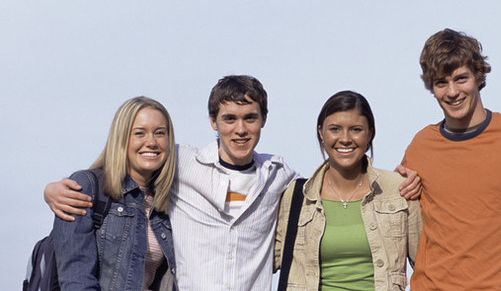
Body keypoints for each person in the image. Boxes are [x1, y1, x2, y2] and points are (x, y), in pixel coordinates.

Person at [46, 76, 420, 290]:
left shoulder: (281, 177)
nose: (240, 129)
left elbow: (333, 181)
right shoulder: (182, 164)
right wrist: (54, 190)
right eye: (229, 119)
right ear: (213, 121)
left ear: (263, 120)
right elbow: (131, 166)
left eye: (250, 118)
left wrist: (403, 176)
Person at [401, 28, 501, 291]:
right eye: (441, 83)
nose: (452, 92)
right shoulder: (421, 145)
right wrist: (400, 183)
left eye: (461, 79)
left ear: (478, 77)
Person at [274, 91, 422, 290]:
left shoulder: (399, 189)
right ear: (321, 133)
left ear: (369, 133)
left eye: (356, 129)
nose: (345, 139)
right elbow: (262, 257)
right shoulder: (296, 195)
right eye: (334, 129)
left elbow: (426, 265)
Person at [51, 96, 177, 291]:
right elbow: (76, 279)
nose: (151, 142)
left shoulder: (169, 200)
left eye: (160, 133)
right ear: (121, 138)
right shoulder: (87, 187)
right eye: (139, 133)